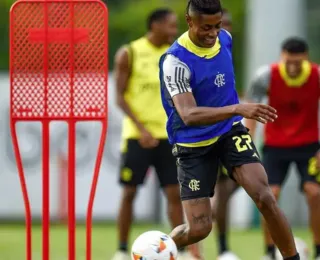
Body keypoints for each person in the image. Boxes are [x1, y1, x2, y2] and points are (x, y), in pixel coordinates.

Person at [159, 0, 300, 259]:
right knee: (199, 229)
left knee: (265, 197)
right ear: (189, 21)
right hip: (193, 145)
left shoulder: (225, 38)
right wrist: (238, 108)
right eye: (205, 28)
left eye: (217, 26)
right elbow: (188, 115)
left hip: (229, 132)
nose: (213, 33)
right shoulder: (175, 61)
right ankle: (159, 247)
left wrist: (235, 113)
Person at [112, 8, 197, 260]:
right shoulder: (130, 53)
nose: (175, 31)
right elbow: (119, 97)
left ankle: (178, 251)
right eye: (171, 26)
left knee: (174, 193)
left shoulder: (177, 55)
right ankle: (120, 249)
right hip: (137, 136)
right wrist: (141, 129)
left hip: (170, 137)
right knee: (129, 192)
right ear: (155, 25)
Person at [245, 37, 320, 260]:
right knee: (270, 195)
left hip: (309, 146)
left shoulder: (317, 75)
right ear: (282, 57)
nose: (293, 67)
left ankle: (318, 251)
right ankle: (269, 252)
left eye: (298, 62)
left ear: (305, 59)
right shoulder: (265, 76)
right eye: (289, 62)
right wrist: (248, 144)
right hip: (275, 146)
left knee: (314, 193)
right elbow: (252, 110)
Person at [209, 8, 241, 260]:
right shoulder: (195, 53)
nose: (224, 30)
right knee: (220, 191)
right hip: (206, 131)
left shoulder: (227, 51)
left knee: (237, 184)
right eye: (221, 25)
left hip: (229, 129)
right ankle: (222, 248)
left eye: (227, 25)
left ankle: (223, 246)